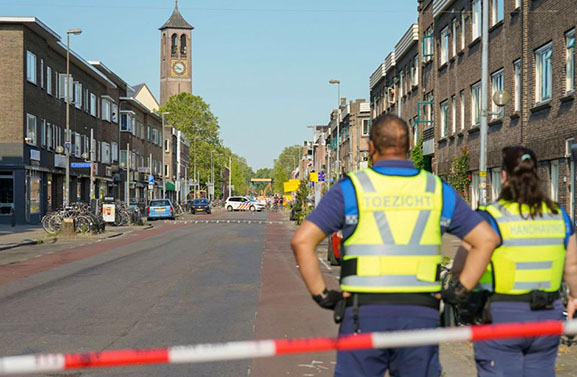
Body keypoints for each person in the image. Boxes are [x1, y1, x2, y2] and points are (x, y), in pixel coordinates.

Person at [291, 114, 499, 377]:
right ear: (410, 144)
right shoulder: (435, 189)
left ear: (371, 147)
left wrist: (323, 296)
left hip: (362, 314)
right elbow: (486, 239)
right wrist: (459, 291)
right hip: (420, 314)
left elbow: (302, 241)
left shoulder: (352, 189)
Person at [452, 146, 577, 377]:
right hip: (547, 315)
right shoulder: (559, 216)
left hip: (501, 315)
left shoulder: (489, 217)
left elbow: (460, 266)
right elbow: (573, 266)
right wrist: (574, 298)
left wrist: (459, 292)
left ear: (503, 175)